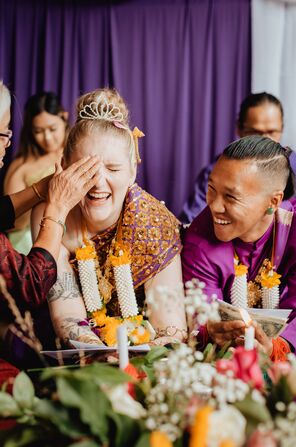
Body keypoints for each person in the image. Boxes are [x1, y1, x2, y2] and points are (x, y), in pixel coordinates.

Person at [32, 88, 187, 348]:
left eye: (113, 169)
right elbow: (67, 315)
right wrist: (99, 355)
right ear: (64, 166)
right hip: (70, 353)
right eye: (86, 169)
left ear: (132, 171)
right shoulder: (50, 215)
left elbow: (171, 331)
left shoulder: (157, 224)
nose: (98, 183)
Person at [0, 80, 101, 366]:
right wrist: (56, 207)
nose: (6, 144)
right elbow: (31, 284)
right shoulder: (21, 167)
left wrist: (41, 190)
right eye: (2, 134)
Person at [182, 135, 296, 361]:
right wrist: (210, 330)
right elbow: (201, 315)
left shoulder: (295, 229)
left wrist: (279, 348)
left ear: (273, 202)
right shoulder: (200, 237)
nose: (214, 206)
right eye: (211, 189)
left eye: (231, 197)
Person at [180, 92, 296, 224]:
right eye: (255, 132)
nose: (265, 141)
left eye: (272, 132)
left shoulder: (295, 167)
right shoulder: (217, 171)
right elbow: (191, 222)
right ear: (239, 128)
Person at [4, 92, 69, 254]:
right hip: (30, 238)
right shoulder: (22, 166)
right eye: (38, 131)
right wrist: (40, 195)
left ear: (64, 117)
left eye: (52, 129)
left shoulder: (75, 152)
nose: (47, 138)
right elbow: (12, 222)